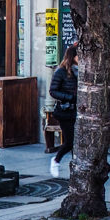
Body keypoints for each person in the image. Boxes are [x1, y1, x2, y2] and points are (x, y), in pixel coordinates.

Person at [49, 45, 79, 178]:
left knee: (77, 142)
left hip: (78, 111)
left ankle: (76, 168)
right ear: (73, 57)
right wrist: (70, 98)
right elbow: (53, 91)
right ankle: (56, 160)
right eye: (79, 56)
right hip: (65, 111)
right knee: (70, 141)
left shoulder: (80, 71)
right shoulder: (61, 71)